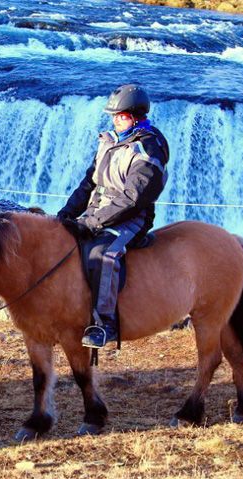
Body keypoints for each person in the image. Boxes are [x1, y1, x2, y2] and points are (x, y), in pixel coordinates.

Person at [57, 84, 170, 348]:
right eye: (114, 116)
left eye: (120, 116)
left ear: (136, 116)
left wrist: (92, 223)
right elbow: (89, 183)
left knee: (101, 254)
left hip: (132, 217)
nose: (115, 120)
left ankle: (104, 324)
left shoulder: (149, 148)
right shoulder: (109, 141)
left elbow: (133, 198)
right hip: (98, 211)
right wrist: (66, 214)